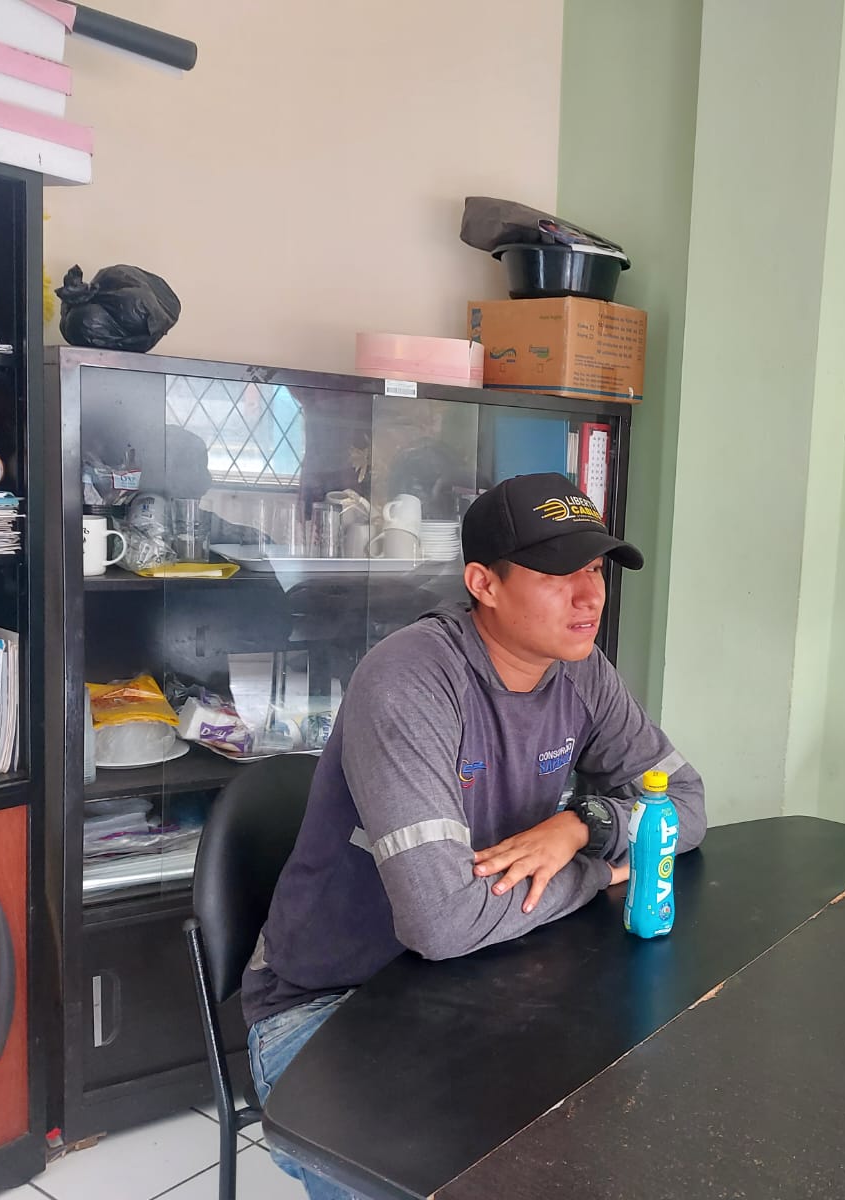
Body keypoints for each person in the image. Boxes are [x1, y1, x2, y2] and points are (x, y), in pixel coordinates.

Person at [242, 473, 706, 1200]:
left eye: (595, 569)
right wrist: (600, 871)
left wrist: (581, 824)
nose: (589, 596)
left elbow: (686, 803)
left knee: (627, 1133)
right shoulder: (411, 679)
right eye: (558, 573)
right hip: (332, 1009)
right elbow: (441, 923)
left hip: (492, 977)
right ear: (483, 584)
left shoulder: (580, 672)